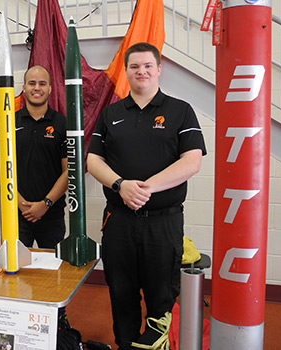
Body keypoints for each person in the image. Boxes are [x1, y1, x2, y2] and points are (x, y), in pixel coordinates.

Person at [87, 42, 207, 350]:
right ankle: (125, 345)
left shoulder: (180, 111)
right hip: (119, 223)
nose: (141, 71)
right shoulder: (110, 113)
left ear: (158, 69)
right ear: (126, 71)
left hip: (163, 225)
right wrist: (120, 186)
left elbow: (191, 160)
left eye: (147, 66)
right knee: (121, 293)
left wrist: (144, 188)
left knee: (162, 295)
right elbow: (93, 161)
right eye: (134, 66)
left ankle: (158, 345)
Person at [0, 65, 68, 249]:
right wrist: (20, 203)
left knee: (53, 271)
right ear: (24, 87)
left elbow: (69, 171)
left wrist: (46, 204)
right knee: (14, 270)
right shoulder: (7, 121)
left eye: (42, 83)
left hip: (52, 213)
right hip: (15, 212)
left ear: (50, 89)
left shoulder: (62, 124)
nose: (37, 88)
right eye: (32, 83)